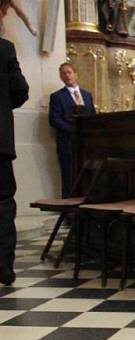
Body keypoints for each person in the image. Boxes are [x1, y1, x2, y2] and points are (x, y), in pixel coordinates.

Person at [0, 37, 28, 285]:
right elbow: (20, 91)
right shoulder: (5, 48)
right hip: (0, 142)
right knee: (2, 203)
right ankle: (3, 266)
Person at [49, 63, 96, 199]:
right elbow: (54, 119)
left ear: (76, 74)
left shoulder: (87, 95)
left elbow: (92, 115)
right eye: (63, 73)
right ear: (60, 77)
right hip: (68, 143)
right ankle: (68, 211)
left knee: (87, 177)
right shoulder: (57, 96)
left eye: (69, 72)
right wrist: (72, 130)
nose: (67, 75)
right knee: (69, 178)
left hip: (86, 145)